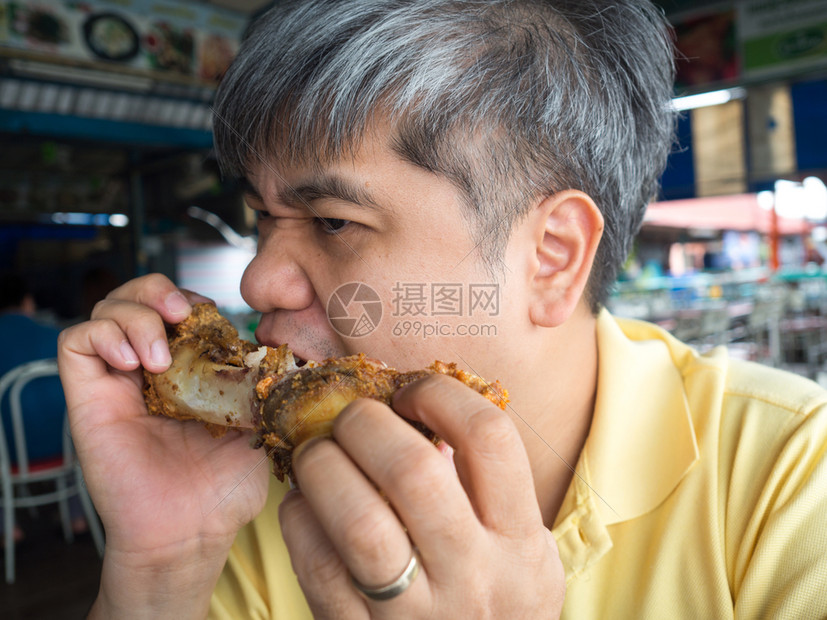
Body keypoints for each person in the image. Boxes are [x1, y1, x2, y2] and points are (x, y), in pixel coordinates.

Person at [57, 1, 827, 618]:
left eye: (332, 221)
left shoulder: (790, 486)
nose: (258, 283)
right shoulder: (249, 491)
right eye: (263, 216)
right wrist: (166, 570)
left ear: (551, 256)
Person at [0, 273, 87, 540]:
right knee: (73, 425)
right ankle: (77, 518)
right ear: (27, 303)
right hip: (64, 449)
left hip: (8, 454)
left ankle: (7, 530)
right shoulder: (62, 339)